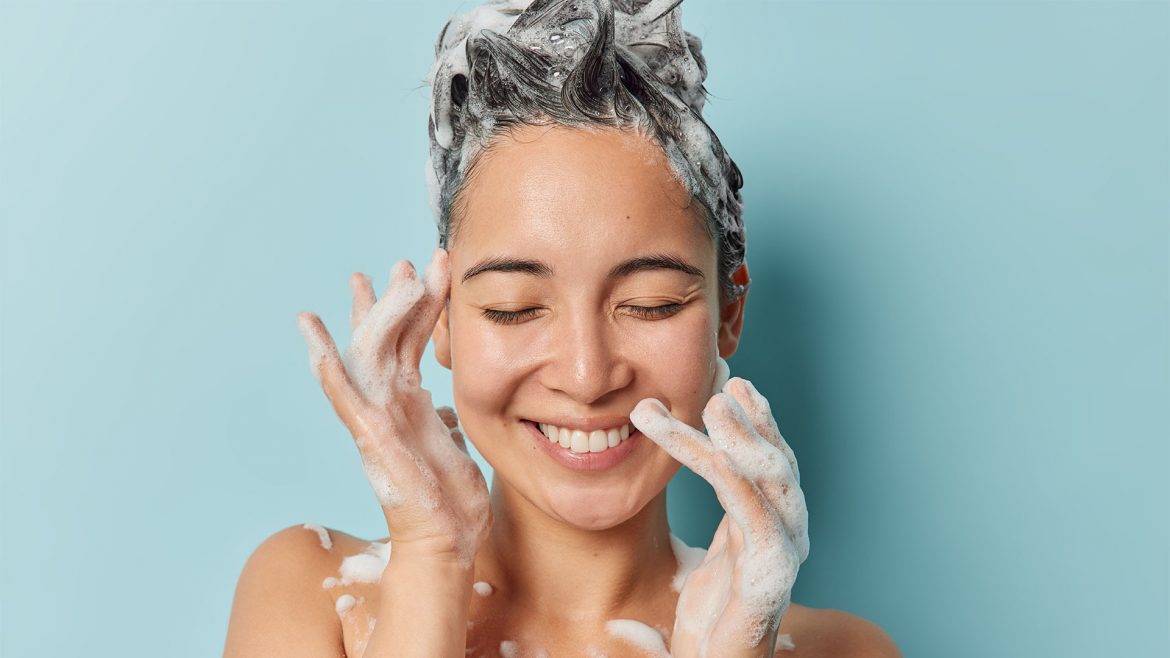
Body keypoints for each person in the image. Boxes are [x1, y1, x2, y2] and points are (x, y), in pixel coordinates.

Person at [224, 1, 901, 656]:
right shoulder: (315, 596)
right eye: (514, 307)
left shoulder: (841, 652)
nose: (585, 376)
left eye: (651, 303)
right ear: (443, 321)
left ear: (729, 315)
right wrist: (431, 559)